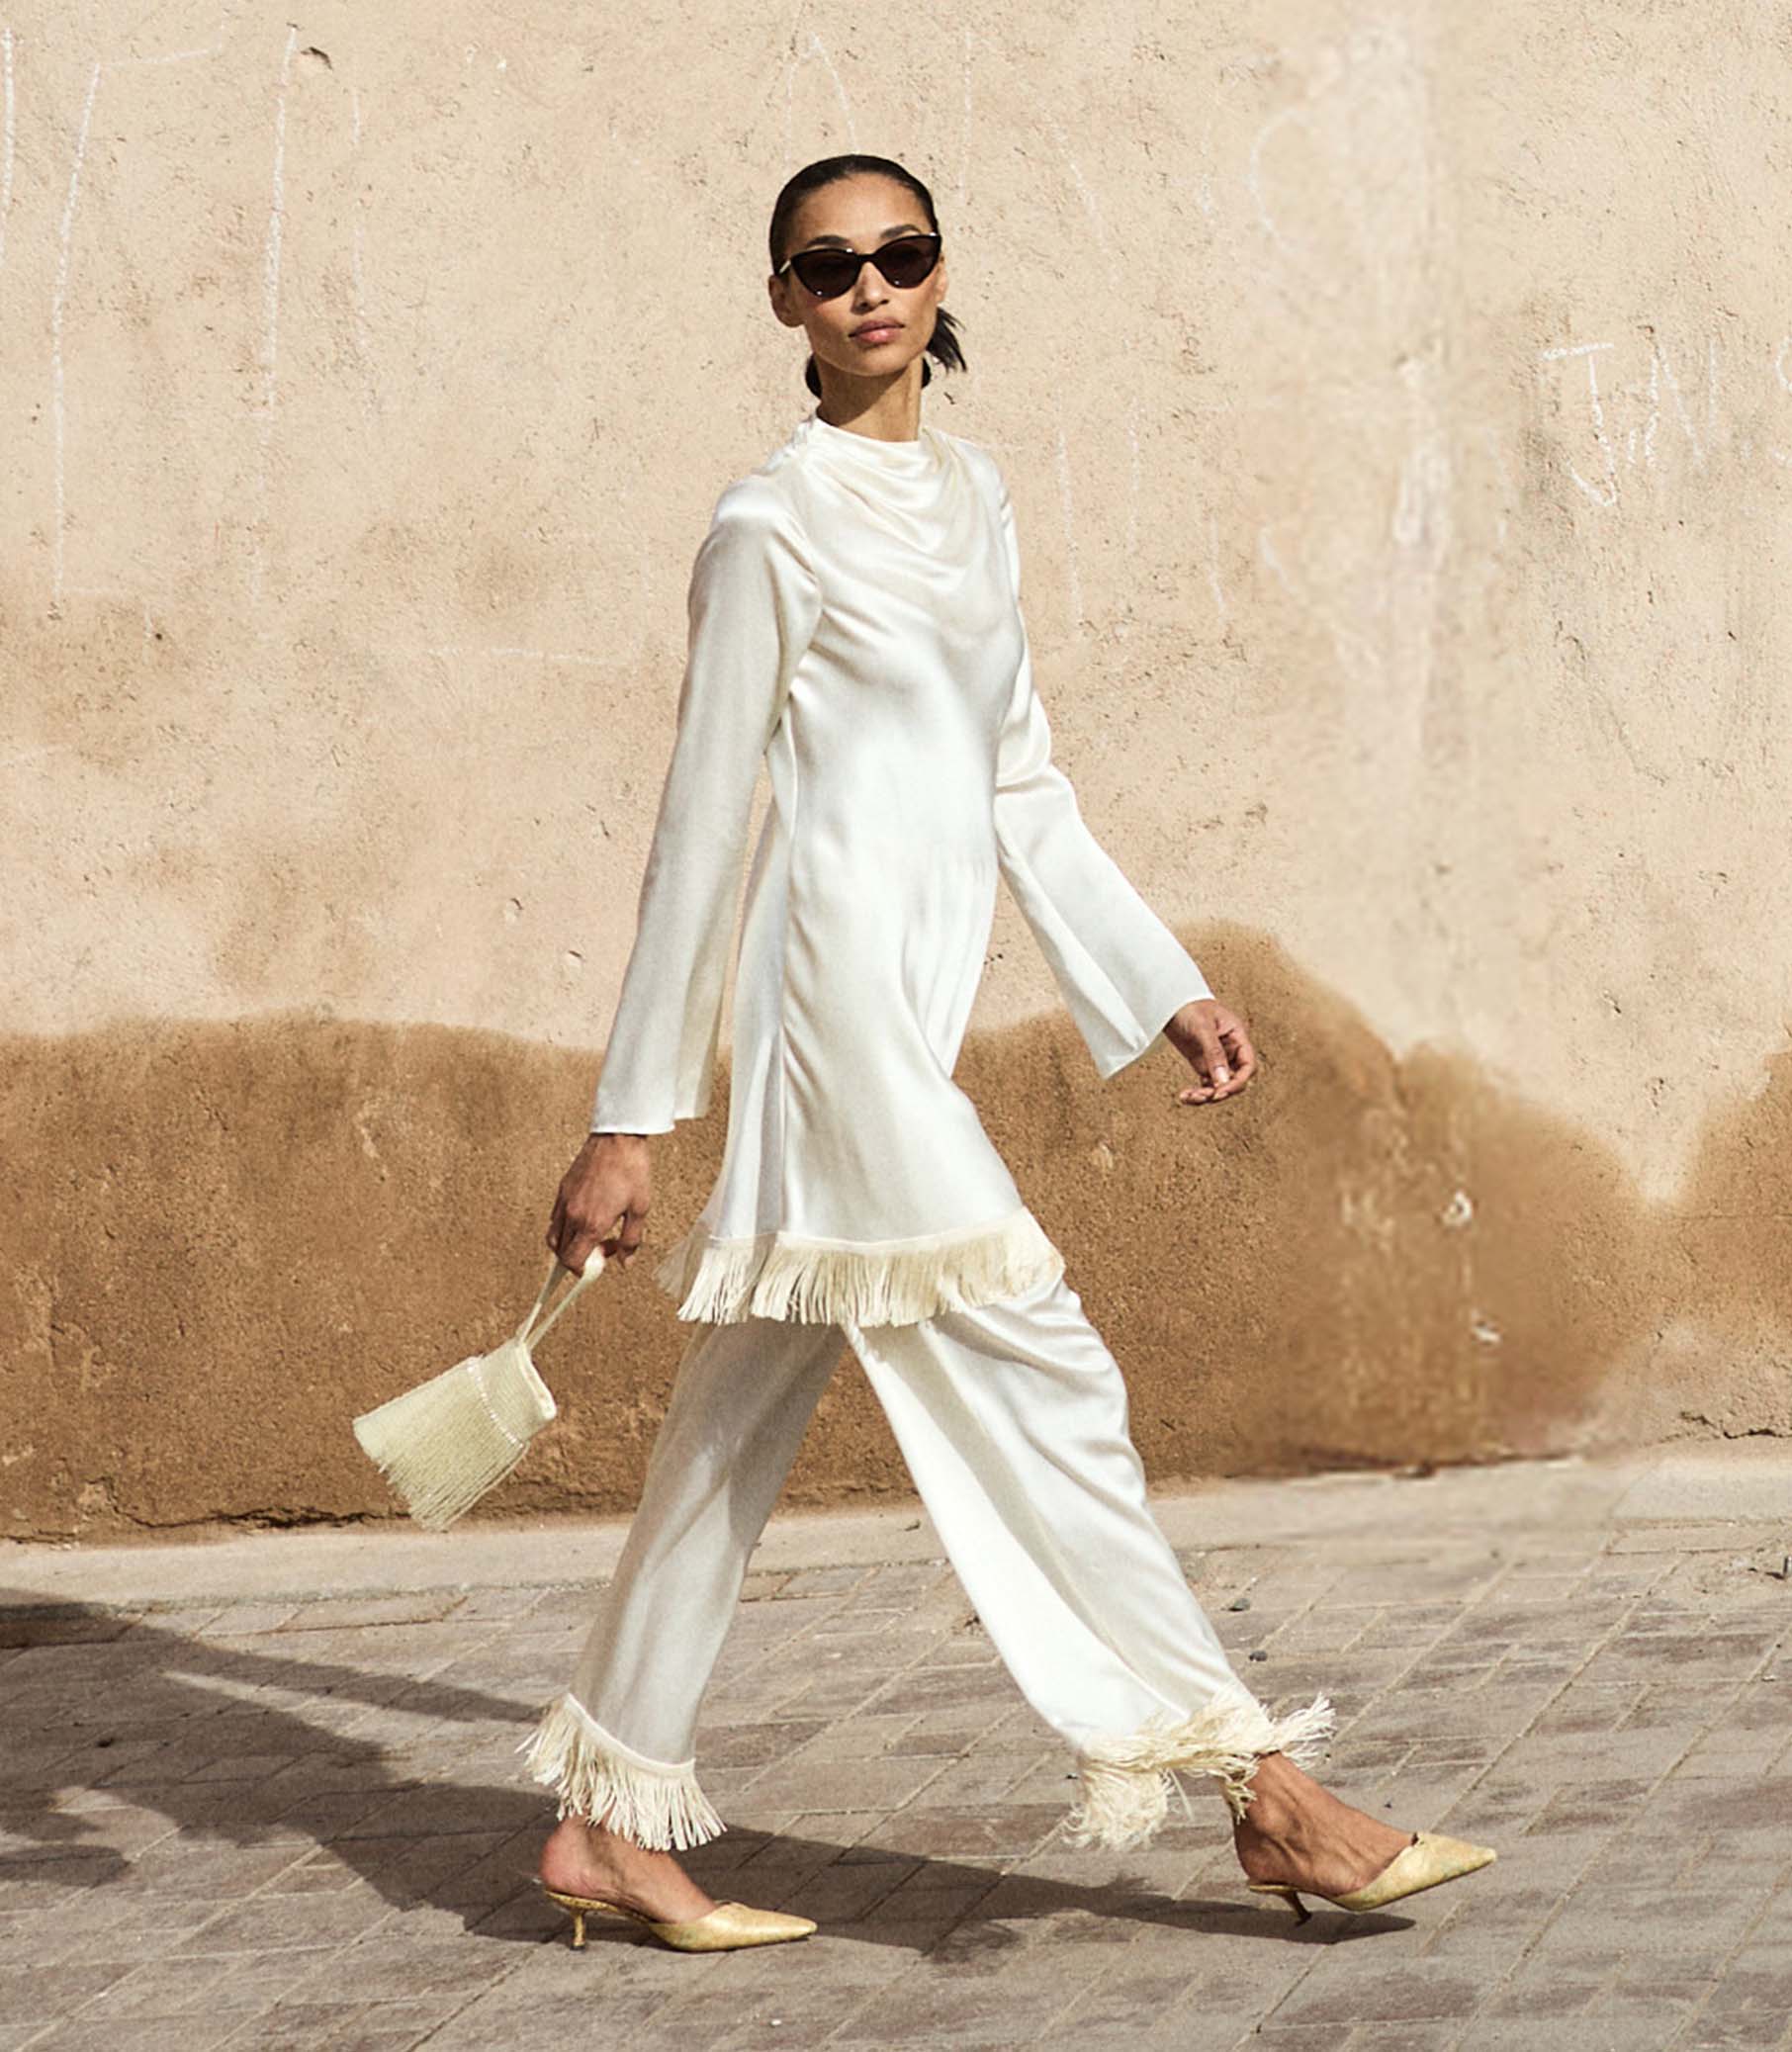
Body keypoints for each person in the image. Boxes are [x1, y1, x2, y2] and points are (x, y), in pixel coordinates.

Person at [524, 152, 1495, 1954]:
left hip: (914, 1009)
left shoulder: (973, 499)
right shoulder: (766, 527)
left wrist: (1154, 981)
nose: (868, 288)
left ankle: (602, 1821)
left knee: (732, 1429)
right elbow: (701, 825)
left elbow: (1018, 777)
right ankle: (1263, 1795)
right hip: (839, 1040)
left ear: (940, 270)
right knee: (1046, 1379)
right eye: (827, 266)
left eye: (898, 255)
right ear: (785, 304)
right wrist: (632, 1118)